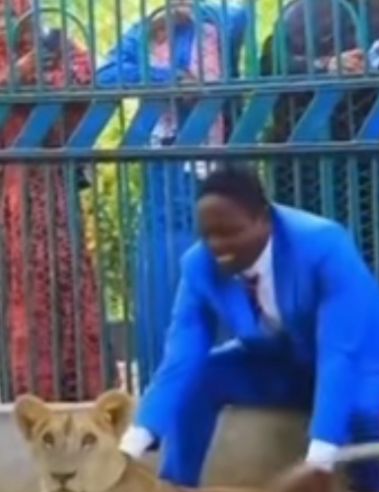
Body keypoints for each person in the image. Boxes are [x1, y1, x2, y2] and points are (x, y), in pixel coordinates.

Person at [120, 164, 379, 492]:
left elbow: (341, 352)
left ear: (264, 218)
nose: (218, 246)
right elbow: (180, 358)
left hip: (369, 357)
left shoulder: (323, 244)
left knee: (359, 410)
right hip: (285, 360)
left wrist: (318, 460)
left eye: (230, 231)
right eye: (208, 235)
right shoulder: (198, 266)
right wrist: (132, 445)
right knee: (201, 377)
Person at [97, 1, 247, 389]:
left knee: (224, 270)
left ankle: (225, 380)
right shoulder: (146, 30)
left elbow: (240, 22)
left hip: (219, 171)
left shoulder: (223, 20)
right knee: (167, 277)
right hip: (164, 175)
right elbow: (106, 74)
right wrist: (165, 74)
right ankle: (164, 384)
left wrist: (200, 16)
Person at [260, 0, 379, 307]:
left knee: (376, 252)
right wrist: (325, 66)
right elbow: (270, 66)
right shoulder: (296, 14)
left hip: (375, 159)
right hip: (307, 161)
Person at [0, 1, 107, 400]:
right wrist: (16, 77)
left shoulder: (58, 48)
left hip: (48, 186)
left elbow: (87, 82)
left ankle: (68, 386)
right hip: (9, 185)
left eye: (14, 12)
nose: (7, 21)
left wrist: (40, 74)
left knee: (59, 285)